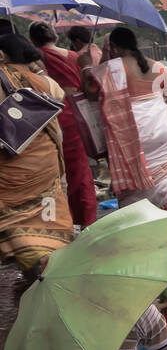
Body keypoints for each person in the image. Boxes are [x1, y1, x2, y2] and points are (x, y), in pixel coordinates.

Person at [78, 27, 167, 244]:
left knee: (132, 186)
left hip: (131, 136)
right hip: (163, 132)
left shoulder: (110, 69)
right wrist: (156, 119)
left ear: (114, 47)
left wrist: (86, 64)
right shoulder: (158, 67)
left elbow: (90, 92)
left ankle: (138, 236)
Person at [0, 35, 75, 283]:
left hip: (12, 171)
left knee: (15, 224)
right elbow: (60, 94)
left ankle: (35, 267)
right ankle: (47, 264)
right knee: (48, 219)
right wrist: (36, 71)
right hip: (46, 168)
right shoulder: (43, 81)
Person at [28, 22, 98, 228]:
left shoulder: (35, 58)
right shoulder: (74, 56)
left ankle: (61, 220)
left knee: (55, 170)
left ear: (33, 40)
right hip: (76, 112)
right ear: (55, 37)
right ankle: (87, 219)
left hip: (52, 112)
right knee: (80, 169)